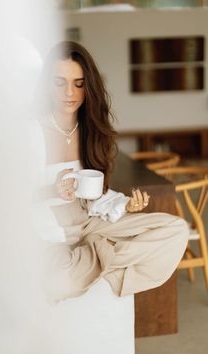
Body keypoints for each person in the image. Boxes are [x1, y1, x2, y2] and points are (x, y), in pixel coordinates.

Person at [37, 41, 188, 303]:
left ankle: (91, 260)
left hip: (91, 223)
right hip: (51, 230)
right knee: (57, 283)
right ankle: (99, 260)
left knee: (176, 229)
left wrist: (124, 205)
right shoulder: (32, 130)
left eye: (79, 83)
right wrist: (52, 190)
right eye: (60, 82)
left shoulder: (91, 131)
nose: (69, 92)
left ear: (89, 86)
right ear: (47, 84)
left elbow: (96, 196)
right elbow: (8, 195)